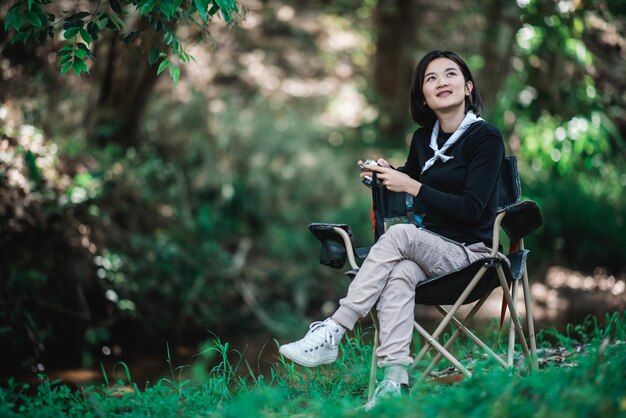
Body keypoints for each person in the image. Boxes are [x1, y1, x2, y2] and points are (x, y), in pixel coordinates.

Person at [279, 50, 507, 408]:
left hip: (472, 255)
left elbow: (471, 209)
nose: (441, 82)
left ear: (467, 87)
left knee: (399, 235)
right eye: (431, 78)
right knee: (399, 272)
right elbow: (415, 176)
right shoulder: (423, 139)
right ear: (422, 95)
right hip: (429, 250)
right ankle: (393, 385)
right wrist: (387, 173)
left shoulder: (485, 138)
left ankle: (334, 330)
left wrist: (411, 186)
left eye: (450, 75)